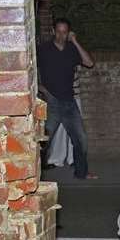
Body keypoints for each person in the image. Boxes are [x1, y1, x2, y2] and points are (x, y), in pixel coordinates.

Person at [37, 17, 95, 179]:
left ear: (68, 33)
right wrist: (41, 88)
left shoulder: (71, 49)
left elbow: (89, 63)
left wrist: (75, 42)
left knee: (81, 139)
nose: (61, 36)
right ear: (53, 31)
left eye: (65, 32)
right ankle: (36, 177)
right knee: (43, 141)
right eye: (59, 32)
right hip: (52, 102)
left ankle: (81, 173)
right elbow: (31, 69)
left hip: (69, 102)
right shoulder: (44, 49)